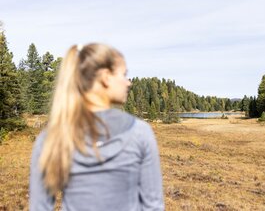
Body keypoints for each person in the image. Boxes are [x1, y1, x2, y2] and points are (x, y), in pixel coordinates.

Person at [29, 43, 164, 210]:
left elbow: (39, 207)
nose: (128, 83)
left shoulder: (51, 137)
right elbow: (154, 206)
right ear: (106, 77)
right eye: (124, 74)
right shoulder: (140, 132)